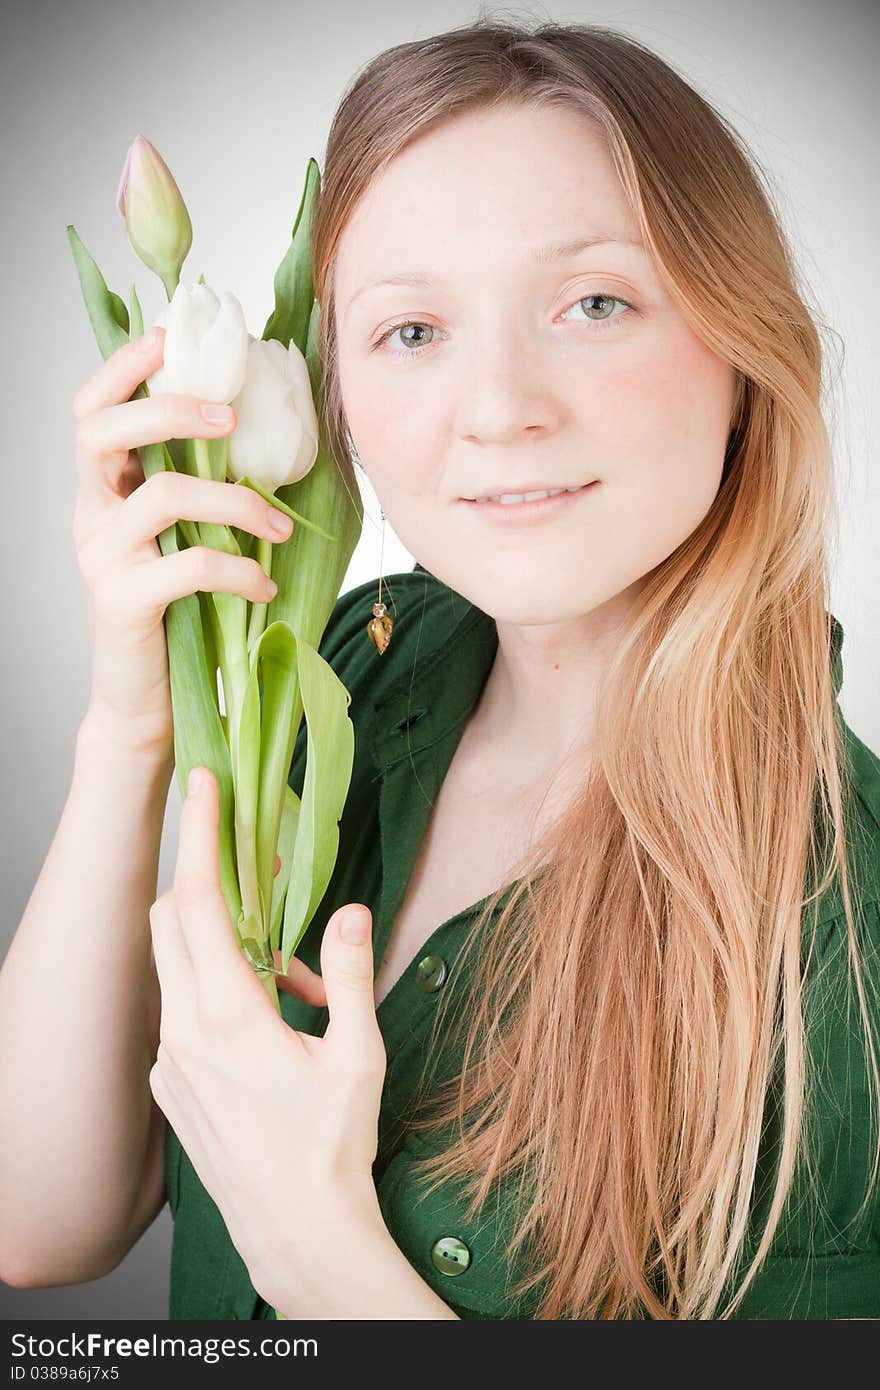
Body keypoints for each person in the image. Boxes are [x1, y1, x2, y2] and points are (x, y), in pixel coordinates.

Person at [2, 17, 879, 1321]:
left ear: (743, 347)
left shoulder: (839, 942)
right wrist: (134, 716)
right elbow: (39, 1223)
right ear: (339, 390)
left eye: (594, 302)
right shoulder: (333, 680)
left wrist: (327, 1257)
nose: (499, 406)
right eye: (412, 330)